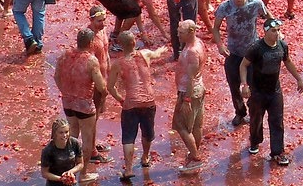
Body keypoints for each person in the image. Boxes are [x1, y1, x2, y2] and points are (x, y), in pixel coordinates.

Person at [240, 17, 303, 166]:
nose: (276, 33)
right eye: (273, 31)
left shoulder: (282, 46)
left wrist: (299, 79)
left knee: (277, 121)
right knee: (256, 119)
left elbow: (288, 62)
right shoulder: (256, 48)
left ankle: (277, 152)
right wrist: (244, 85)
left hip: (275, 91)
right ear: (265, 32)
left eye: (278, 30)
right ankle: (255, 141)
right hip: (257, 91)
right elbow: (244, 65)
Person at [107, 31, 168, 181]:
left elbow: (110, 87)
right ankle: (145, 157)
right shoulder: (145, 54)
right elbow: (156, 54)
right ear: (134, 43)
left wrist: (120, 99)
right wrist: (162, 49)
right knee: (147, 132)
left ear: (120, 46)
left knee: (128, 137)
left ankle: (128, 169)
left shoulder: (118, 64)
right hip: (148, 101)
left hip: (131, 103)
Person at [213, 0, 270, 127]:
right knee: (234, 85)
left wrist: (273, 36)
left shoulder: (256, 3)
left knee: (254, 85)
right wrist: (220, 45)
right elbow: (216, 28)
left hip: (252, 52)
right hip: (234, 52)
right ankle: (239, 112)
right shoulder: (225, 7)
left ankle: (254, 112)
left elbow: (269, 18)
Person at [53, 29, 106, 180]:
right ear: (90, 43)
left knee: (71, 136)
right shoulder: (91, 60)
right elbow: (101, 86)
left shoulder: (65, 55)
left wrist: (65, 91)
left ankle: (67, 169)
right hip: (84, 104)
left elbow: (56, 76)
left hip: (68, 102)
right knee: (87, 139)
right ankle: (83, 174)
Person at [172, 20, 206, 173]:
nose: (178, 35)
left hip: (189, 92)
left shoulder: (192, 51)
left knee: (181, 125)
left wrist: (186, 99)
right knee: (197, 125)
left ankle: (195, 157)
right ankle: (193, 155)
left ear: (191, 32)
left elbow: (191, 78)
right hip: (198, 89)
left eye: (181, 33)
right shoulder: (197, 42)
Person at [40, 117, 84, 186]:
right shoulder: (48, 150)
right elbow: (45, 173)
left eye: (66, 132)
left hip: (71, 181)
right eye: (61, 132)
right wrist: (61, 179)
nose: (64, 135)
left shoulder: (75, 143)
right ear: (55, 133)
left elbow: (80, 164)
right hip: (54, 183)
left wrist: (70, 172)